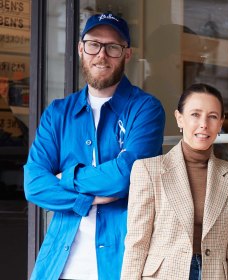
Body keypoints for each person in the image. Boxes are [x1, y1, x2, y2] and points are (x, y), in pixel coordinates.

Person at [24, 13, 165, 280]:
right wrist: (90, 198)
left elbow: (126, 176)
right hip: (58, 266)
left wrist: (66, 177)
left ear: (127, 54)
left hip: (121, 264)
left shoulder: (145, 109)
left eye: (113, 47)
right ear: (80, 49)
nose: (102, 55)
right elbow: (34, 184)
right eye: (93, 44)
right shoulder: (58, 113)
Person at [121, 83, 228, 280]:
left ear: (221, 122)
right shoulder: (147, 170)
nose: (204, 124)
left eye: (213, 116)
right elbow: (137, 243)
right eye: (195, 114)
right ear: (179, 118)